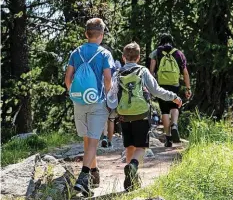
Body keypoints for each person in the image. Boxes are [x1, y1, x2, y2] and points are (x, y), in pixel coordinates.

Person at [119, 42, 182, 191]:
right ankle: (133, 165)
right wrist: (174, 96)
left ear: (123, 58)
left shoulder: (118, 72)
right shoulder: (143, 71)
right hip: (141, 114)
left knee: (129, 145)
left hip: (124, 116)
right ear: (139, 57)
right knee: (140, 147)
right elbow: (156, 90)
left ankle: (131, 177)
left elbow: (112, 96)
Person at [65, 18, 114, 196]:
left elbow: (67, 79)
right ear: (101, 35)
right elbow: (108, 79)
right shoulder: (104, 53)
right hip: (97, 101)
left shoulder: (75, 52)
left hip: (79, 101)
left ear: (86, 34)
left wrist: (75, 95)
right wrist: (110, 99)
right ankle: (83, 177)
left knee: (87, 140)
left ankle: (94, 172)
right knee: (93, 141)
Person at [149, 33, 191, 147]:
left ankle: (168, 139)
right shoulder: (179, 53)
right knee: (175, 105)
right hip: (174, 84)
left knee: (164, 110)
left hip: (161, 84)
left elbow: (151, 71)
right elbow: (185, 72)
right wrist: (188, 88)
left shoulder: (156, 52)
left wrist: (151, 86)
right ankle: (174, 125)